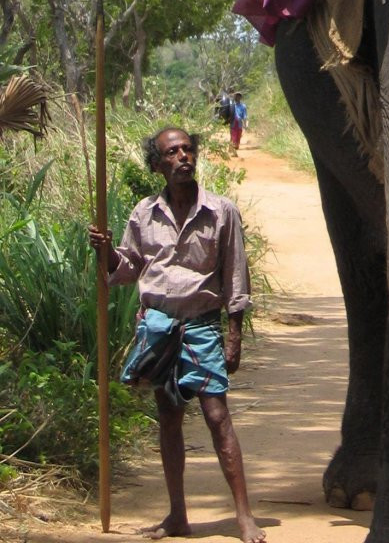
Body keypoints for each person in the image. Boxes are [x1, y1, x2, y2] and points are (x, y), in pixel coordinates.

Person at [88, 127, 264, 543]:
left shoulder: (221, 212)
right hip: (158, 328)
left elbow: (236, 277)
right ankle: (177, 516)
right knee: (168, 417)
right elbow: (127, 269)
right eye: (172, 152)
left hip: (202, 325)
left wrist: (234, 334)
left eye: (188, 150)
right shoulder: (143, 214)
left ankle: (244, 516)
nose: (183, 157)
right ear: (157, 165)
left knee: (218, 417)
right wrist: (106, 250)